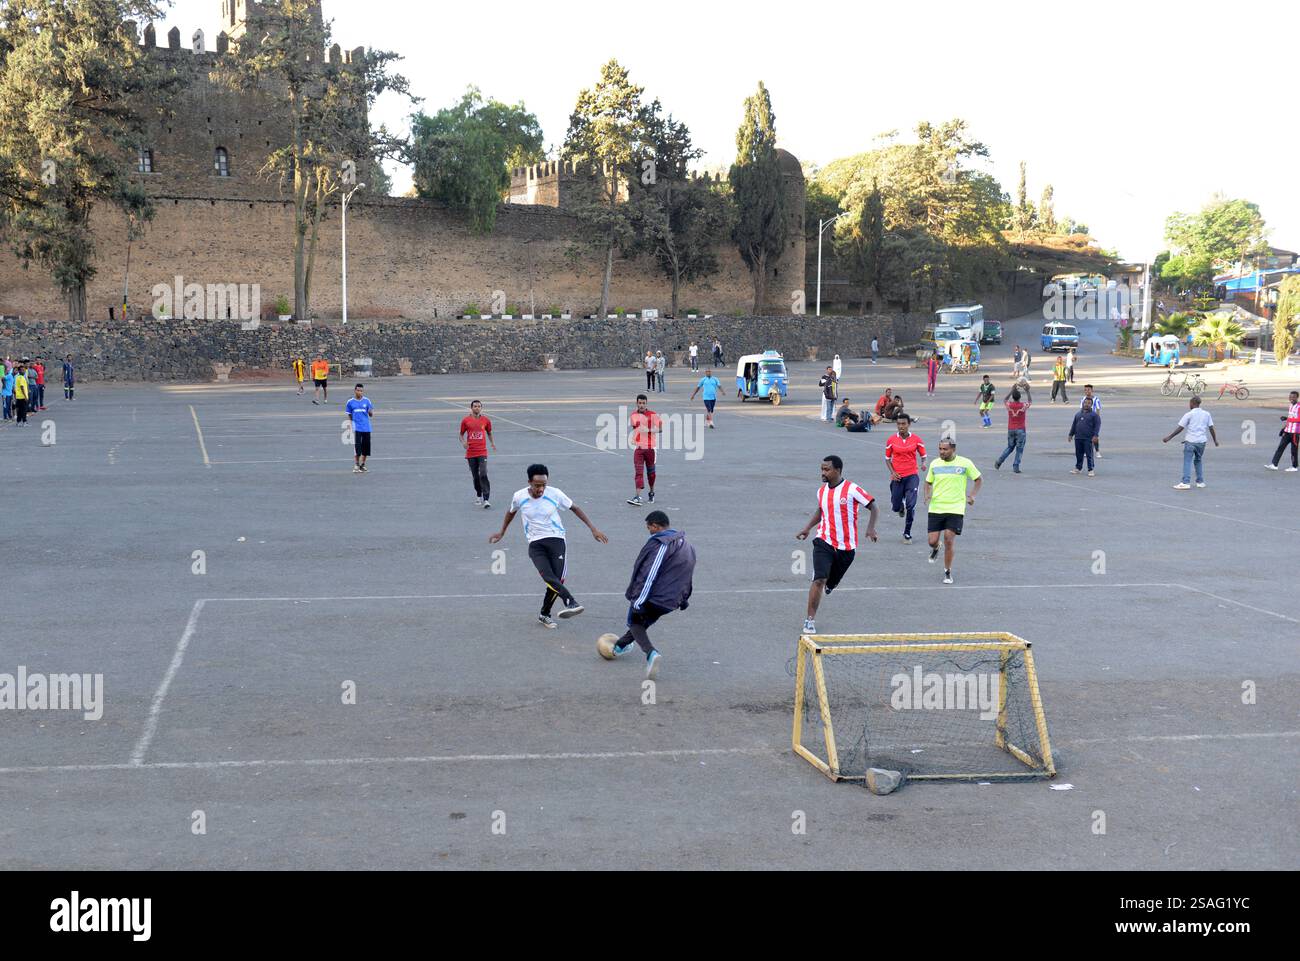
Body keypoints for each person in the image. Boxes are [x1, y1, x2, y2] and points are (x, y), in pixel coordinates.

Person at [489, 464, 608, 629]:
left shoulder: (555, 493)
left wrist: (593, 529)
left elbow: (575, 508)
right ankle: (570, 601)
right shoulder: (519, 496)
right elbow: (511, 512)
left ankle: (544, 614)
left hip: (556, 540)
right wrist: (502, 531)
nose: (541, 488)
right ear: (529, 482)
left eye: (544, 484)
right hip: (535, 543)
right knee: (547, 576)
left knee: (556, 581)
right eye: (537, 485)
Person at [605, 510, 696, 678]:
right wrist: (684, 598)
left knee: (635, 621)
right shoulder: (688, 546)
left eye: (649, 528)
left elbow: (649, 573)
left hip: (654, 597)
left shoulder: (662, 544)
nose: (649, 531)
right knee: (642, 623)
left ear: (655, 526)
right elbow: (688, 574)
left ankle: (651, 653)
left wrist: (638, 600)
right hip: (672, 599)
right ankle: (618, 647)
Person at [795, 455, 878, 634]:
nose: (823, 472)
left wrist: (870, 528)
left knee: (829, 583)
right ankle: (809, 620)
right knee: (819, 579)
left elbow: (873, 506)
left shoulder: (851, 489)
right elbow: (821, 509)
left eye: (827, 469)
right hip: (823, 541)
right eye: (822, 469)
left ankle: (831, 584)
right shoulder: (821, 491)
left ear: (838, 470)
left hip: (846, 547)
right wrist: (807, 527)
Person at [923, 438, 981, 585]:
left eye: (945, 449)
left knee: (949, 538)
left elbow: (978, 479)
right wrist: (926, 495)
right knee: (932, 541)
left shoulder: (965, 463)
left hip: (956, 508)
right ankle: (936, 547)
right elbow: (928, 482)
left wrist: (972, 496)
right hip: (936, 507)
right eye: (940, 449)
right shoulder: (935, 464)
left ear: (953, 449)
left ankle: (947, 572)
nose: (942, 452)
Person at [884, 413, 926, 543]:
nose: (901, 426)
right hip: (897, 477)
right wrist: (893, 472)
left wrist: (923, 463)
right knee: (896, 506)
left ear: (909, 424)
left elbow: (923, 455)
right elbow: (887, 459)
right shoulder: (891, 440)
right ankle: (899, 507)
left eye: (903, 424)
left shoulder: (917, 439)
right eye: (899, 424)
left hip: (912, 475)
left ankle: (907, 533)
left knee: (911, 505)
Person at [1163, 395, 1218, 490]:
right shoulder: (1206, 414)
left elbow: (1180, 428)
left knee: (1187, 461)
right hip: (1202, 442)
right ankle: (1200, 482)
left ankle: (1185, 482)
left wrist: (1169, 437)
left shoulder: (1189, 414)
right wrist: (1215, 440)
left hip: (1191, 441)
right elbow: (1211, 428)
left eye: (1189, 403)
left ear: (1192, 403)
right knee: (1198, 460)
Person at [460, 399, 495, 508]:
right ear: (471, 408)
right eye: (475, 406)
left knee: (483, 474)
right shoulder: (466, 420)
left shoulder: (486, 420)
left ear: (481, 408)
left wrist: (492, 443)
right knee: (475, 477)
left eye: (479, 406)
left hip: (482, 452)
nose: (477, 408)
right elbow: (461, 434)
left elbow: (489, 432)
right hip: (471, 453)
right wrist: (464, 442)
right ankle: (478, 495)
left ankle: (486, 499)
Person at [627, 393, 661, 506]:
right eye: (640, 403)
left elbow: (660, 429)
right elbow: (635, 429)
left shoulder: (653, 415)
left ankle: (651, 492)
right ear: (636, 403)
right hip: (639, 448)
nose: (641, 405)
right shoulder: (633, 415)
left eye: (643, 403)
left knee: (651, 474)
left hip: (651, 448)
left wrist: (648, 430)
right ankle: (638, 496)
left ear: (646, 404)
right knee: (638, 472)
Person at [994, 387, 1030, 473]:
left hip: (1011, 429)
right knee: (1019, 448)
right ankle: (1016, 466)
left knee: (1010, 447)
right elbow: (1030, 401)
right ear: (1020, 397)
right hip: (1020, 429)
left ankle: (999, 461)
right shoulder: (1023, 405)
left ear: (1013, 397)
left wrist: (1011, 391)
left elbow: (1005, 399)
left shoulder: (1009, 405)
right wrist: (1027, 391)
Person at [1265, 390, 1300, 471]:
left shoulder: (1299, 407)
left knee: (1294, 450)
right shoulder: (1291, 406)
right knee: (1280, 447)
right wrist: (1284, 428)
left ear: (1297, 398)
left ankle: (1294, 467)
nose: (1291, 398)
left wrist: (1287, 419)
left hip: (1295, 432)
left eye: (1293, 397)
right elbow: (1290, 418)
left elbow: (1299, 419)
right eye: (1290, 397)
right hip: (1287, 431)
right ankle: (1274, 465)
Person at [345, 383, 375, 472]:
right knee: (358, 447)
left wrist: (370, 412)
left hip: (366, 428)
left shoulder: (367, 401)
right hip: (357, 428)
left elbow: (371, 414)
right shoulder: (350, 402)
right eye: (358, 390)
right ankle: (356, 464)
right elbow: (349, 414)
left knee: (366, 448)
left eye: (361, 391)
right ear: (355, 391)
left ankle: (363, 465)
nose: (359, 392)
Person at [1068, 397, 1100, 475]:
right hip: (1078, 437)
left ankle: (1090, 469)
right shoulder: (1078, 414)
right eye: (1085, 403)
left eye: (1089, 403)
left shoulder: (1094, 415)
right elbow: (1074, 425)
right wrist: (1071, 434)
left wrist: (1095, 435)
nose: (1086, 404)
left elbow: (1097, 426)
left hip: (1088, 438)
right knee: (1078, 454)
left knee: (1089, 454)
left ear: (1091, 405)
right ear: (1083, 403)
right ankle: (1078, 468)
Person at [1082, 384, 1102, 458]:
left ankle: (1097, 451)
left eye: (1088, 390)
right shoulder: (1083, 399)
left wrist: (1097, 421)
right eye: (1085, 390)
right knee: (1085, 436)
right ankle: (1085, 451)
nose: (1087, 391)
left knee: (1095, 436)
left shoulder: (1096, 399)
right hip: (1085, 420)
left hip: (1093, 420)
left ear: (1092, 390)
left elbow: (1098, 411)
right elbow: (1082, 410)